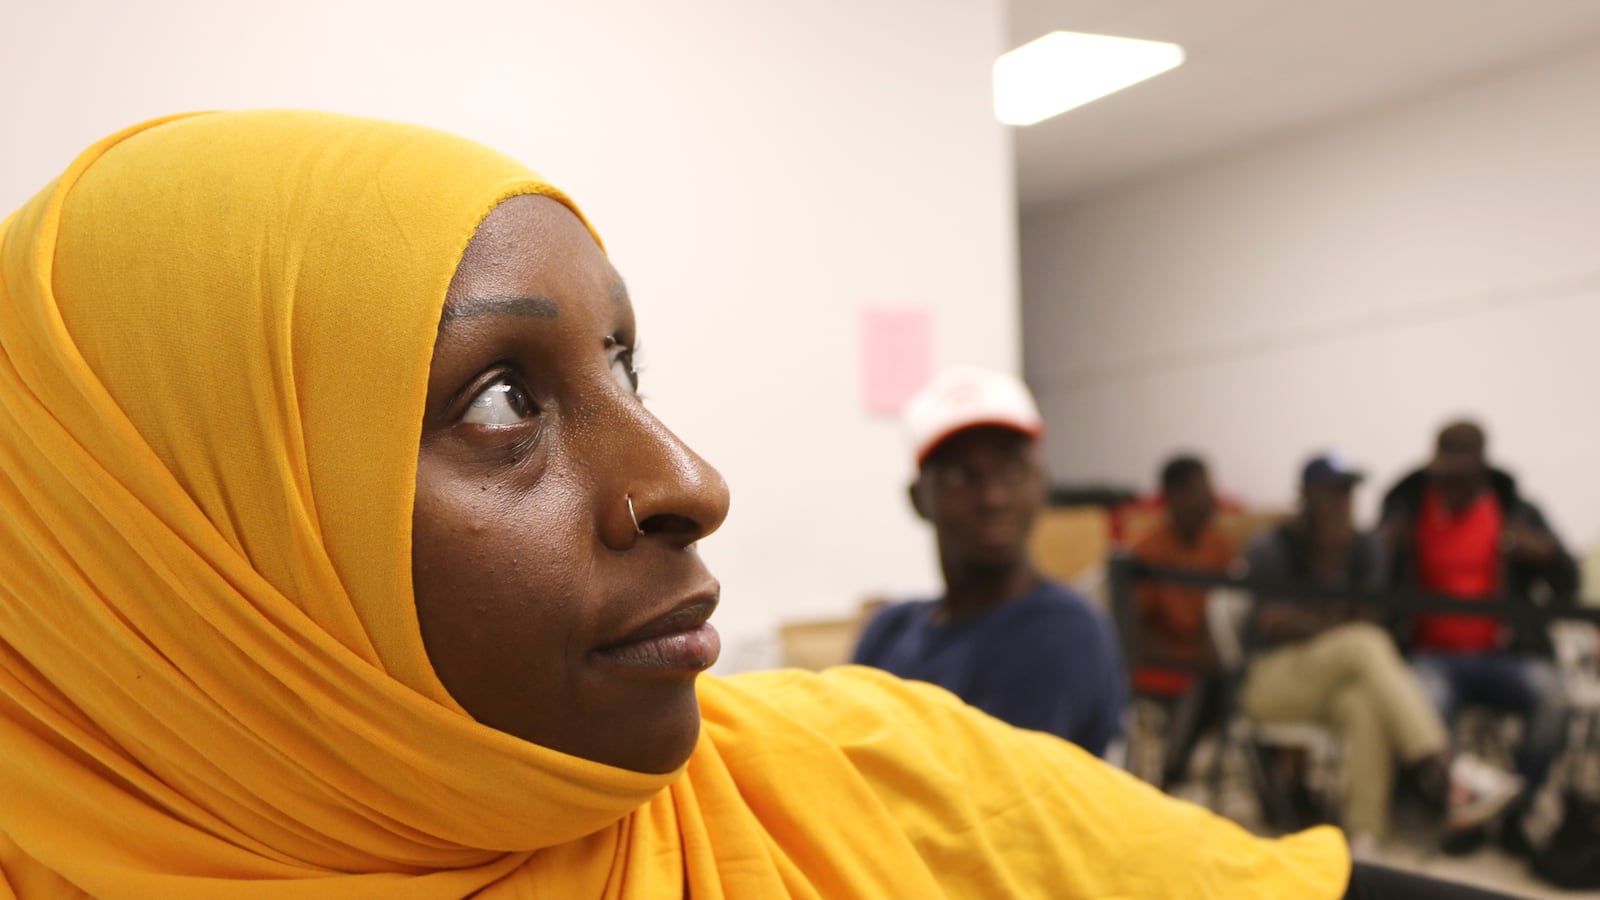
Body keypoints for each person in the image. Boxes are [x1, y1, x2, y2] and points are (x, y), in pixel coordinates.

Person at [0, 109, 1508, 897]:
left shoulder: (853, 781)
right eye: (504, 401)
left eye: (626, 368)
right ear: (172, 569)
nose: (689, 483)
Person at [1242, 454, 1522, 858]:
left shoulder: (1364, 547)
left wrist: (1322, 619)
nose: (1340, 503)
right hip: (1271, 679)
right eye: (1330, 493)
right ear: (1305, 496)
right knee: (1362, 643)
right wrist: (1338, 622)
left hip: (1336, 679)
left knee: (1364, 702)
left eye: (1348, 492)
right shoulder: (1273, 544)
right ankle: (1449, 770)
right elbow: (1274, 621)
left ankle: (1364, 839)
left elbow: (1372, 612)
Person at [851, 367, 1125, 756]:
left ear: (1041, 484)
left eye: (1012, 471)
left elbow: (992, 802)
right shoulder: (888, 630)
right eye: (960, 476)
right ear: (917, 499)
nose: (993, 497)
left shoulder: (1062, 631)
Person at [1379, 421, 1576, 854]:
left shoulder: (1516, 511)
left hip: (1503, 654)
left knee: (1554, 698)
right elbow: (1369, 580)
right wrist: (1384, 547)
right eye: (1444, 475)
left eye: (1462, 477)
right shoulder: (1407, 509)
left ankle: (1515, 811)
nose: (1451, 486)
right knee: (1423, 700)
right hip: (1431, 654)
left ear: (1483, 470)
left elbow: (1568, 584)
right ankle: (1457, 814)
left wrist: (1547, 553)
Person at [1130, 455, 1235, 788]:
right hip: (1163, 662)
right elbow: (1133, 627)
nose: (1210, 499)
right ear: (1174, 497)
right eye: (1199, 490)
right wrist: (1186, 658)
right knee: (1205, 684)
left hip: (1208, 659)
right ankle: (1171, 773)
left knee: (1234, 682)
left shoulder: (1219, 547)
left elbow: (1226, 615)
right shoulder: (1148, 551)